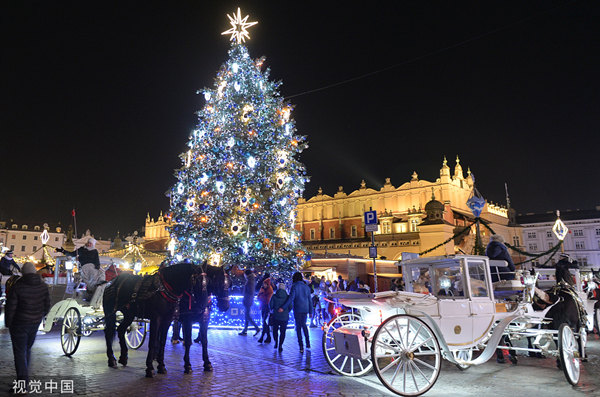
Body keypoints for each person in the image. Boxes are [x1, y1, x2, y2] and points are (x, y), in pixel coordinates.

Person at [5, 262, 50, 391]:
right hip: (34, 324)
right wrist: (39, 317)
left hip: (19, 324)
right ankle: (23, 381)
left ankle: (22, 385)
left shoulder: (18, 286)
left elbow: (11, 308)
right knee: (26, 350)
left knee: (19, 353)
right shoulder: (43, 286)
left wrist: (9, 323)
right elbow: (47, 306)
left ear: (23, 273)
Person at [279, 272, 312, 353]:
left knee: (298, 327)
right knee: (304, 325)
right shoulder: (306, 287)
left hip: (297, 309)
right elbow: (310, 300)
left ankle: (301, 346)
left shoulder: (294, 287)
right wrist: (311, 311)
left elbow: (291, 298)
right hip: (305, 309)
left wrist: (283, 307)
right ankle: (308, 343)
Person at [269, 283, 289, 352]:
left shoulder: (274, 296)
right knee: (283, 332)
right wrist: (286, 311)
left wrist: (273, 309)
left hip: (276, 316)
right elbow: (290, 306)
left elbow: (270, 305)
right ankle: (280, 345)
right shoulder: (287, 297)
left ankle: (276, 342)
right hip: (284, 316)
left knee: (275, 330)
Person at [239, 270, 260, 336]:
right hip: (248, 300)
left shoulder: (250, 281)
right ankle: (245, 330)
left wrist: (246, 297)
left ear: (246, 274)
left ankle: (256, 328)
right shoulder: (251, 280)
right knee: (246, 316)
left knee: (247, 316)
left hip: (248, 300)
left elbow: (250, 291)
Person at [256, 276, 273, 343]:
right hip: (263, 307)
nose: (263, 285)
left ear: (267, 284)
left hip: (267, 308)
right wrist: (261, 293)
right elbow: (258, 297)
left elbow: (267, 300)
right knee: (264, 323)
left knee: (264, 322)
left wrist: (261, 294)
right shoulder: (263, 289)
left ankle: (262, 337)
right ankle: (268, 337)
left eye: (265, 284)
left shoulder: (269, 291)